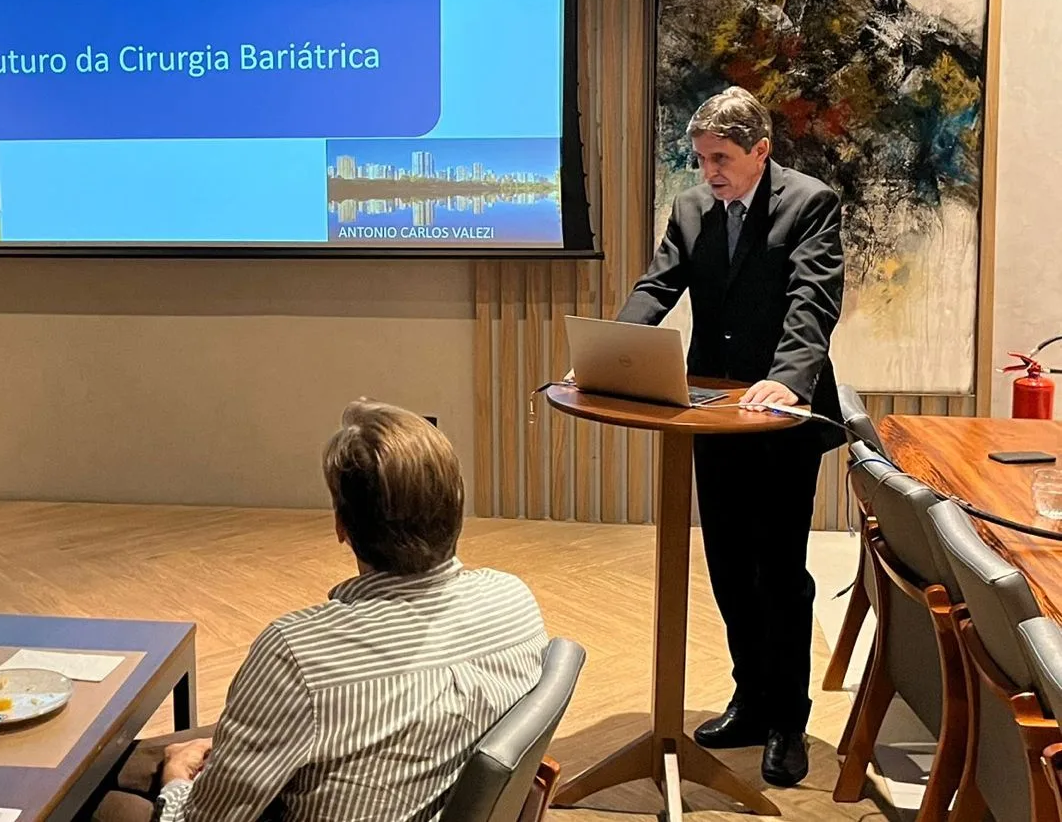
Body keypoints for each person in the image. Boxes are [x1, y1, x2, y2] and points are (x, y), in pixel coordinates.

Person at [84, 400, 548, 822]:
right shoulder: (515, 602)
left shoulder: (297, 654)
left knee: (103, 804)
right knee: (128, 758)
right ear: (457, 508)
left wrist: (176, 783)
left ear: (341, 526)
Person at [617, 86, 844, 787]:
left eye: (721, 158)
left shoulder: (809, 204)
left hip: (779, 418)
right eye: (701, 158)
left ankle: (788, 720)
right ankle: (751, 699)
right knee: (727, 567)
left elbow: (812, 301)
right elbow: (657, 287)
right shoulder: (690, 209)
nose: (708, 171)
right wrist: (615, 351)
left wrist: (788, 380)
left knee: (778, 573)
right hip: (711, 414)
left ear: (760, 151)